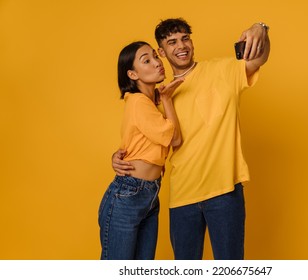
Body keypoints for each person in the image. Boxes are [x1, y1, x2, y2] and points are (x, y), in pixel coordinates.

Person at [112, 18, 271, 260]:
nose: (181, 46)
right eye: (172, 42)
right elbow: (141, 138)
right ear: (162, 52)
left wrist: (261, 28)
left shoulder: (223, 70)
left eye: (185, 38)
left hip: (224, 191)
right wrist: (117, 156)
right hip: (182, 195)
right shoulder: (157, 96)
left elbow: (259, 58)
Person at [98, 41, 183, 260]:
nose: (157, 63)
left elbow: (136, 144)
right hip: (129, 194)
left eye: (156, 56)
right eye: (147, 60)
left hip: (149, 194)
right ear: (133, 74)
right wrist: (166, 99)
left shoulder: (148, 104)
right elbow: (175, 139)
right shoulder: (139, 103)